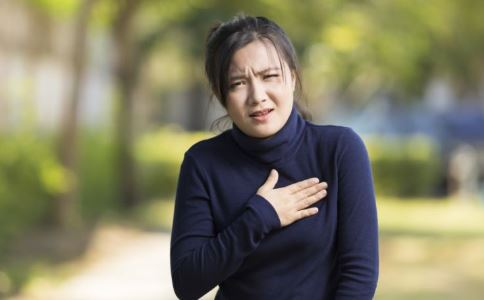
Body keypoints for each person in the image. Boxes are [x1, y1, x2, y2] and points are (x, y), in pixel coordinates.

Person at [170, 14, 379, 300]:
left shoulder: (340, 150)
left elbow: (359, 276)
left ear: (291, 77)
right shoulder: (203, 163)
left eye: (269, 76)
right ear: (222, 95)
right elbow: (186, 283)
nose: (257, 96)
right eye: (238, 83)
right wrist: (259, 217)